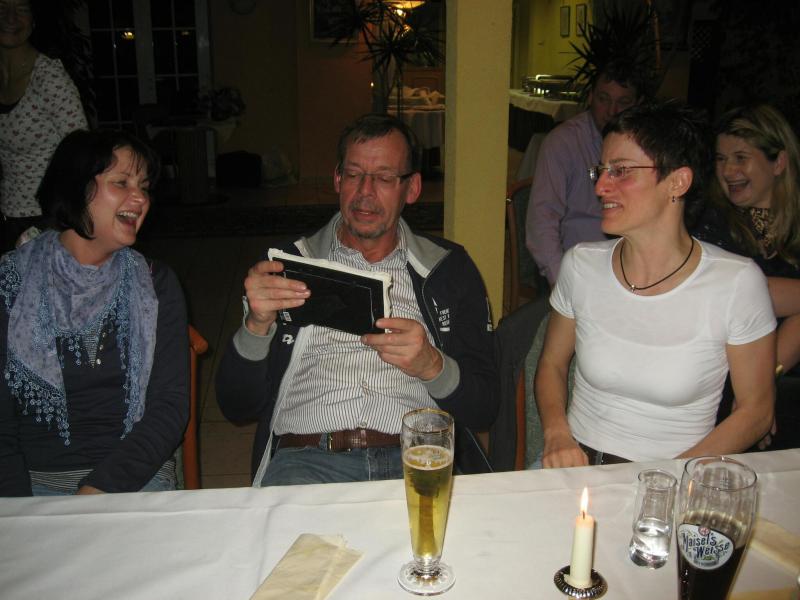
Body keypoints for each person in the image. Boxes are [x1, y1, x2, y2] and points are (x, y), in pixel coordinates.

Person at [216, 113, 498, 486]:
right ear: (337, 180)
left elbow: (484, 409)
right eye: (353, 175)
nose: (365, 191)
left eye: (384, 177)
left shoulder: (448, 269)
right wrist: (256, 325)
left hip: (415, 459)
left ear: (412, 188)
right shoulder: (287, 266)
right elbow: (236, 407)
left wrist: (432, 366)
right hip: (308, 460)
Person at [535, 101, 776, 468]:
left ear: (677, 182)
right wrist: (556, 435)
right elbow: (551, 364)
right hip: (579, 464)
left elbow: (756, 411)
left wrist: (669, 477)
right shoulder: (581, 264)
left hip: (678, 474)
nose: (600, 186)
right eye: (601, 170)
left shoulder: (735, 283)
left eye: (621, 171)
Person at [0, 129, 189, 496]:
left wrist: (99, 489)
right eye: (121, 182)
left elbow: (169, 407)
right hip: (34, 482)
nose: (141, 198)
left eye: (144, 187)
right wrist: (17, 510)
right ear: (75, 188)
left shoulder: (156, 284)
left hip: (133, 476)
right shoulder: (12, 284)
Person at [692, 104, 800, 449]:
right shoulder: (711, 222)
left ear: (778, 163)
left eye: (740, 158)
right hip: (724, 373)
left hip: (777, 374)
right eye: (721, 159)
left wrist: (762, 384)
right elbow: (745, 294)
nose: (728, 170)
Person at [525, 62, 645, 286]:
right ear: (590, 97)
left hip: (631, 267)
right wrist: (564, 284)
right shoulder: (562, 142)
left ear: (638, 104)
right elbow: (541, 222)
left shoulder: (647, 148)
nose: (612, 111)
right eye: (603, 99)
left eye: (623, 102)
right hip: (574, 268)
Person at [0, 0, 88, 252]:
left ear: (33, 21)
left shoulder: (49, 77)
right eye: (2, 7)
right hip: (8, 214)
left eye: (21, 9)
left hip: (48, 218)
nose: (10, 17)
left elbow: (82, 150)